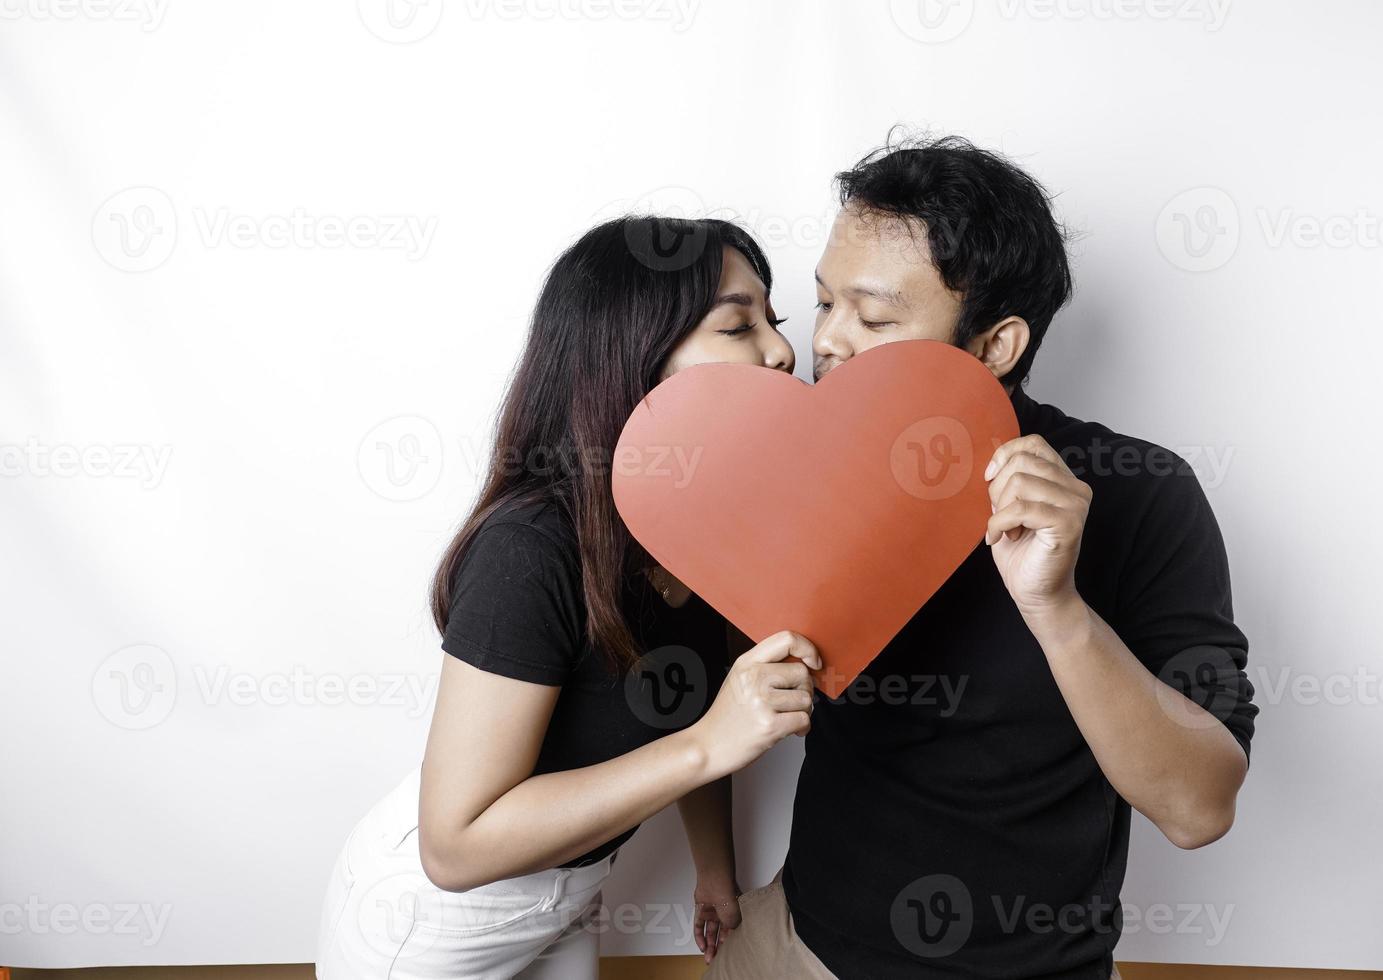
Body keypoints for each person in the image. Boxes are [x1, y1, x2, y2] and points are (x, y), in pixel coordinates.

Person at [705, 136, 1259, 979]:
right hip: (794, 941)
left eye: (877, 318)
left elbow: (1198, 807)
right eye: (822, 305)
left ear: (996, 346)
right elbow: (693, 691)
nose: (831, 343)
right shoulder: (804, 470)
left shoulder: (1142, 494)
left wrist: (1057, 610)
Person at [316, 216, 820, 980]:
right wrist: (709, 743)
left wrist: (714, 870)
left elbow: (700, 707)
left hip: (569, 896)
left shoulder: (707, 524)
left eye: (774, 322)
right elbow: (453, 846)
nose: (784, 351)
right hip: (436, 926)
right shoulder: (531, 548)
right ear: (634, 352)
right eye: (738, 325)